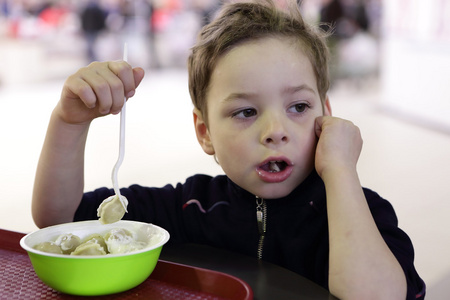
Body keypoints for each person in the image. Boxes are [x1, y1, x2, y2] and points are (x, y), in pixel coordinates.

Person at [32, 1, 425, 299]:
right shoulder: (192, 208)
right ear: (205, 133)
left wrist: (340, 170)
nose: (275, 131)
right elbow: (58, 220)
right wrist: (69, 122)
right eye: (246, 111)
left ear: (327, 115)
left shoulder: (360, 211)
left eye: (299, 107)